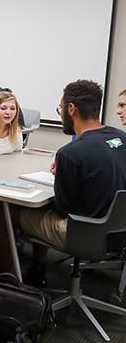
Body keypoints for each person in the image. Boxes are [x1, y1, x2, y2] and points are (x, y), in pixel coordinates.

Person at [16, 80, 126, 286]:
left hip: (84, 233)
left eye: (60, 109)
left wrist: (64, 177)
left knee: (12, 211)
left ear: (71, 109)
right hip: (119, 232)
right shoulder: (121, 137)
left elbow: (61, 209)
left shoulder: (70, 153)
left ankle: (12, 281)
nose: (61, 114)